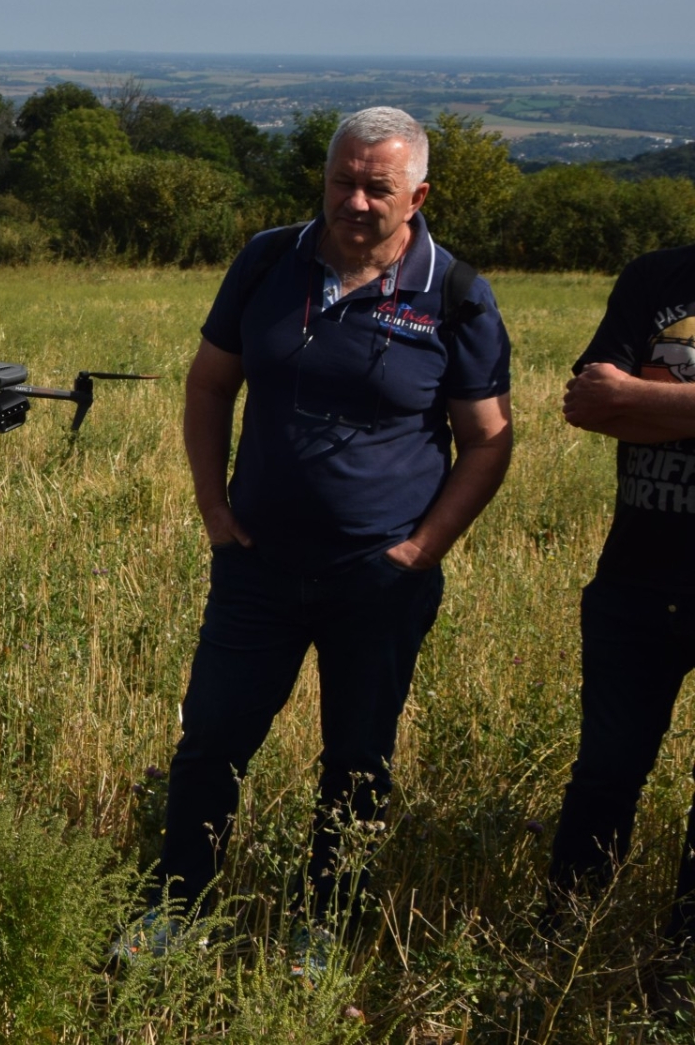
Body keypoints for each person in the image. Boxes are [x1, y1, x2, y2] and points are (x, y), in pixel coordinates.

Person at [154, 106, 514, 963]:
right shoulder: (269, 259)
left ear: (418, 194)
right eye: (340, 181)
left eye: (376, 188)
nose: (353, 201)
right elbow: (209, 387)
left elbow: (490, 441)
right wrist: (214, 509)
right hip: (258, 567)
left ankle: (327, 923)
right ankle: (177, 908)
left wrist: (421, 551)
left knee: (357, 760)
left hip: (377, 579)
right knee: (211, 741)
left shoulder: (455, 294)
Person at [546, 244, 695, 942]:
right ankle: (567, 935)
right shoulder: (654, 276)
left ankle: (683, 963)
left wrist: (640, 396)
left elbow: (620, 397)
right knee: (605, 775)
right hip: (636, 578)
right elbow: (589, 401)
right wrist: (627, 401)